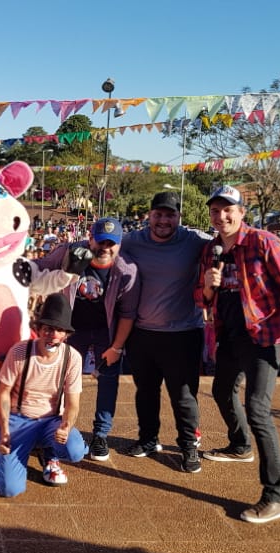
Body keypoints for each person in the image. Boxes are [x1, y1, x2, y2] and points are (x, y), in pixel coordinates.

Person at [196, 185, 280, 524]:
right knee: (221, 390)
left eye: (228, 210)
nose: (222, 216)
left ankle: (276, 496)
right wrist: (208, 284)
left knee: (258, 410)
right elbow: (201, 300)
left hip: (267, 336)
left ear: (242, 212)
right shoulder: (212, 250)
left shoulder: (264, 242)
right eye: (216, 211)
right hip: (231, 334)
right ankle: (239, 445)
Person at [35, 217, 140, 462]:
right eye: (100, 241)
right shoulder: (68, 252)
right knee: (58, 378)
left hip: (106, 330)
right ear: (89, 238)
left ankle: (101, 434)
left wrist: (117, 347)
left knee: (108, 380)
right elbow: (39, 265)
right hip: (72, 328)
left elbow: (127, 314)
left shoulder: (127, 270)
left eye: (111, 243)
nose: (105, 248)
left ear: (119, 245)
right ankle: (52, 427)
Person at [119, 191, 210, 473]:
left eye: (170, 214)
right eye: (158, 214)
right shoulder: (133, 240)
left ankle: (187, 446)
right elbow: (102, 243)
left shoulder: (195, 240)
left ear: (178, 217)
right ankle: (148, 439)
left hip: (184, 333)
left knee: (183, 396)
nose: (163, 220)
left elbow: (228, 243)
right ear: (149, 215)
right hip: (142, 332)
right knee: (145, 391)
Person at [0, 293, 87, 497]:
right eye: (48, 329)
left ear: (65, 335)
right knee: (10, 489)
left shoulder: (72, 358)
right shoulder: (20, 352)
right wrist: (5, 430)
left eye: (59, 330)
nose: (53, 335)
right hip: (19, 420)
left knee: (75, 450)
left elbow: (73, 404)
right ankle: (22, 453)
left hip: (50, 421)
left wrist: (65, 426)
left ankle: (49, 453)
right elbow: (3, 394)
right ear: (39, 329)